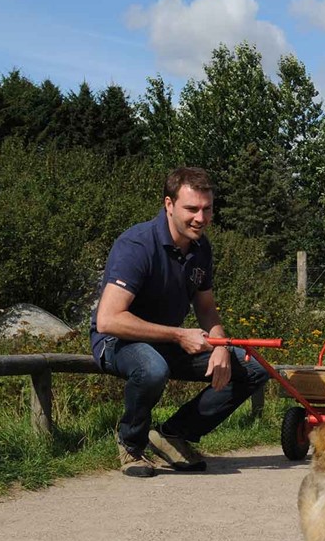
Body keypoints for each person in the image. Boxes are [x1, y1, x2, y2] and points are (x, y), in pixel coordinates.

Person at [90, 167, 270, 477]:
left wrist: (221, 345)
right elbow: (108, 320)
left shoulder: (201, 247)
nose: (201, 218)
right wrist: (177, 334)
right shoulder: (137, 245)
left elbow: (207, 309)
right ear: (169, 205)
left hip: (169, 340)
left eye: (207, 208)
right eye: (192, 209)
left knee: (254, 368)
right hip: (119, 342)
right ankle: (131, 444)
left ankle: (172, 435)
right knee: (152, 368)